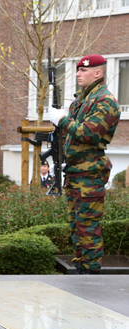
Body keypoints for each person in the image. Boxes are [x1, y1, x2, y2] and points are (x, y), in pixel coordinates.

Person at [48, 54, 120, 275]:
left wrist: (62, 120)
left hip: (90, 171)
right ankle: (82, 267)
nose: (78, 74)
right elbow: (70, 136)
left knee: (87, 226)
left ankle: (90, 273)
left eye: (83, 70)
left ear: (98, 73)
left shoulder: (105, 100)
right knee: (76, 225)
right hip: (76, 170)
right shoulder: (82, 100)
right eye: (78, 70)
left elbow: (89, 133)